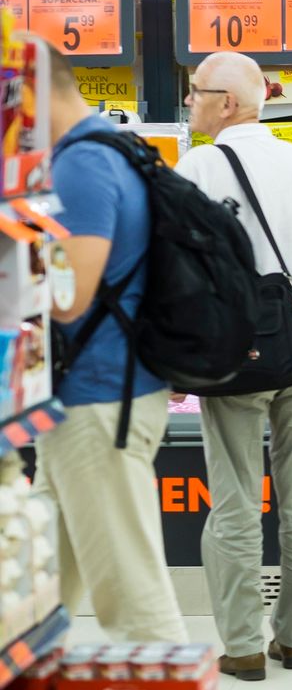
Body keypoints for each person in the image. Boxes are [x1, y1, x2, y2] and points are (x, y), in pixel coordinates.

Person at [175, 52, 292, 681]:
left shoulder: (198, 166)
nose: (188, 101)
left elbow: (181, 274)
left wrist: (179, 354)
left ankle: (243, 646)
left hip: (232, 350)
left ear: (227, 103)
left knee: (236, 500)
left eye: (195, 93)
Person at [34, 43, 188, 643]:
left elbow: (71, 296)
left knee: (133, 599)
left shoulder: (80, 163)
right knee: (39, 586)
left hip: (101, 401)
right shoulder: (110, 146)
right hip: (94, 395)